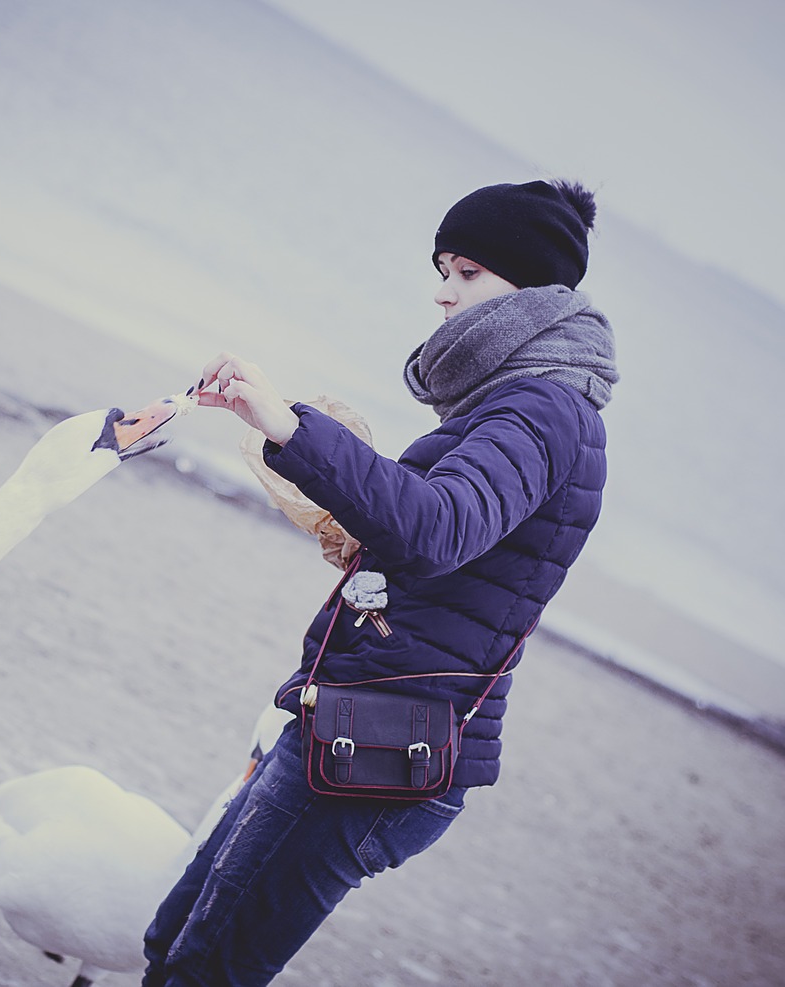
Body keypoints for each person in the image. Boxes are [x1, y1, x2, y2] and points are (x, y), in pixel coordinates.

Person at [142, 179, 619, 986]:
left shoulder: (543, 410)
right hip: (353, 721)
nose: (442, 291)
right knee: (175, 939)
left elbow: (436, 527)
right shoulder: (517, 401)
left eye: (467, 272)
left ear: (535, 288)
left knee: (202, 968)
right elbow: (443, 546)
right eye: (443, 268)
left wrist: (289, 426)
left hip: (379, 754)